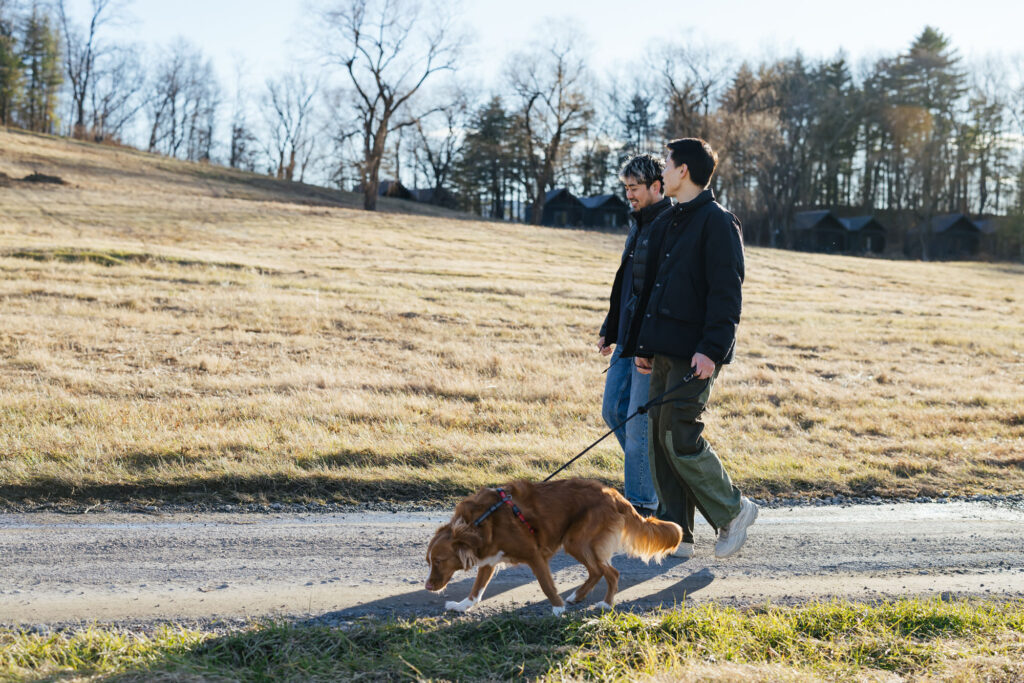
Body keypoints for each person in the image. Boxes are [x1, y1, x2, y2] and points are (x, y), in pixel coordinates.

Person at [621, 138, 757, 559]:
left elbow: (726, 294)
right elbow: (653, 291)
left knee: (680, 436)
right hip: (663, 350)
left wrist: (712, 350)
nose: (662, 168)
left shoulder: (718, 222)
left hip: (695, 354)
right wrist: (642, 345)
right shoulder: (671, 220)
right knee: (660, 439)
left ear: (684, 171)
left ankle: (734, 511)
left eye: (667, 162)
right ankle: (678, 532)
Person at [597, 153, 697, 557]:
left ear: (658, 186)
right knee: (613, 412)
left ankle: (643, 509)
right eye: (625, 188)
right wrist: (610, 325)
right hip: (626, 336)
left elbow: (662, 293)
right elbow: (626, 280)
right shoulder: (638, 223)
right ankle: (653, 478)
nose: (629, 195)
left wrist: (650, 346)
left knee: (639, 427)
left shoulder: (670, 227)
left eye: (634, 188)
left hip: (648, 343)